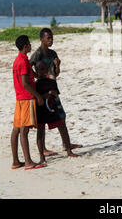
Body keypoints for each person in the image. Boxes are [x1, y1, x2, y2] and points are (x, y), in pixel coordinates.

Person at [11, 35, 46, 170]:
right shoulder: (23, 61)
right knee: (24, 130)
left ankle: (15, 161)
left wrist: (40, 76)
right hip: (26, 98)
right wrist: (38, 96)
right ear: (26, 46)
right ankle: (28, 162)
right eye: (29, 44)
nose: (31, 45)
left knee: (16, 129)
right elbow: (25, 83)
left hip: (19, 98)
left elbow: (30, 75)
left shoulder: (19, 60)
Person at [35, 61, 81, 163]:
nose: (40, 72)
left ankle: (69, 150)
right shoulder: (35, 85)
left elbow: (56, 94)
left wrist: (52, 94)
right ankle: (42, 157)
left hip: (53, 109)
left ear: (47, 70)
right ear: (36, 71)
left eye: (43, 69)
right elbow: (36, 97)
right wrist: (45, 95)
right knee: (40, 132)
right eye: (38, 70)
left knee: (62, 127)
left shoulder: (52, 82)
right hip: (41, 111)